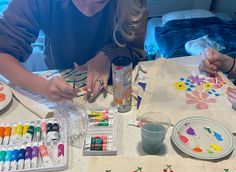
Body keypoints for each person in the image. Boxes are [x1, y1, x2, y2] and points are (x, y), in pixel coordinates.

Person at [0, 0, 147, 102]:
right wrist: (41, 86)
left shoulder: (132, 3)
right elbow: (3, 54)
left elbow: (134, 48)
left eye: (101, 1)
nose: (88, 11)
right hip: (60, 79)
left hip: (117, 86)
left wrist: (108, 55)